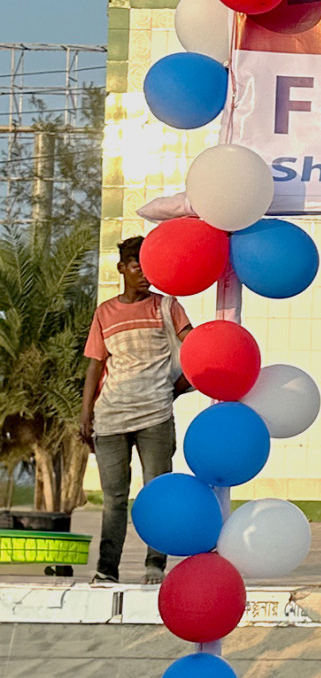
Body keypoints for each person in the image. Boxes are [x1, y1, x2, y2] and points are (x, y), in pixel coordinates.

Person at [80, 235, 192, 586]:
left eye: (149, 266)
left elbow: (197, 348)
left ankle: (155, 565)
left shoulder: (166, 306)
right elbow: (95, 367)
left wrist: (177, 388)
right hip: (111, 418)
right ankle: (107, 570)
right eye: (136, 266)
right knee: (114, 499)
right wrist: (86, 415)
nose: (144, 274)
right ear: (122, 269)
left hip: (155, 417)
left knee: (157, 493)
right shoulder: (106, 313)